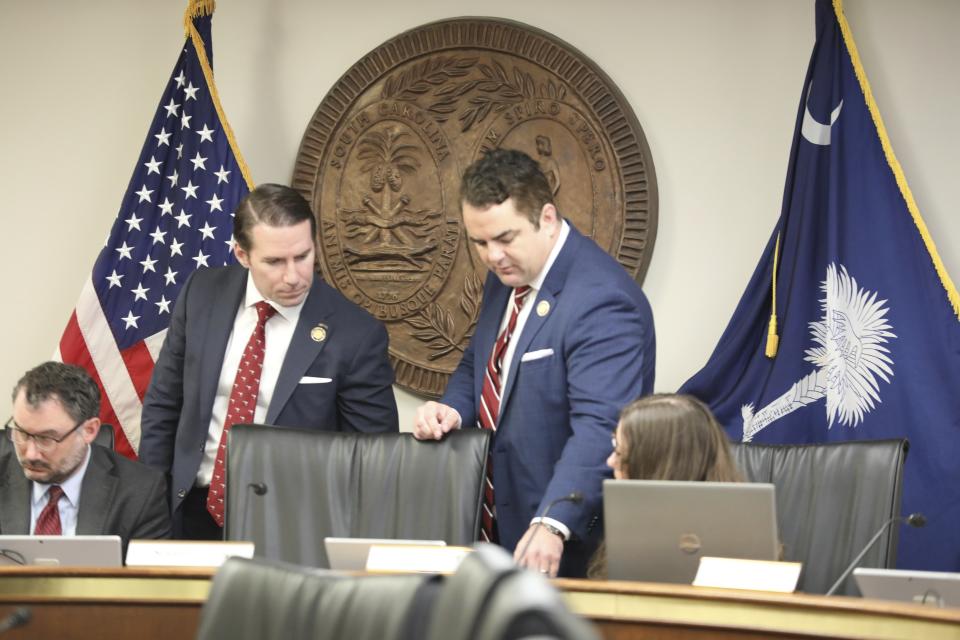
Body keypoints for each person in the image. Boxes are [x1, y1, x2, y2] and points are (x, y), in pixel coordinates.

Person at [413, 149, 655, 578]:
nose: (492, 256)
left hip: (564, 544)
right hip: (495, 524)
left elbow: (602, 428)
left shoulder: (602, 300)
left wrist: (553, 522)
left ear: (546, 217)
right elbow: (482, 362)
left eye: (505, 239)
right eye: (480, 242)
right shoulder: (506, 275)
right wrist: (451, 407)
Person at [139, 183, 399, 540]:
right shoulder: (201, 294)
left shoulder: (356, 334)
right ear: (242, 255)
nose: (293, 276)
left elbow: (373, 456)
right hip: (191, 511)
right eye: (275, 262)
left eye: (303, 256)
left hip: (293, 524)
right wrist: (151, 507)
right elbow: (163, 405)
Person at [0, 362, 170, 555]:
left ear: (89, 431)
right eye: (21, 433)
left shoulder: (140, 492)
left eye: (46, 438)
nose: (30, 453)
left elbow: (147, 582)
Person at [588, 393, 743, 579]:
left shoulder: (742, 539)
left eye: (620, 453)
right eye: (615, 447)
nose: (611, 461)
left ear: (653, 464)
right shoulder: (628, 525)